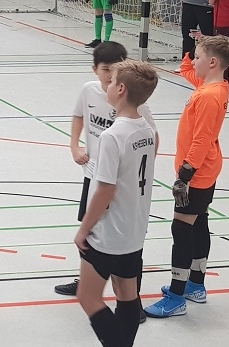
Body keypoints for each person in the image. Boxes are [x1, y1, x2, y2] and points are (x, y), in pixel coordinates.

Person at [74, 59, 158, 347]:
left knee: (88, 297)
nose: (106, 84)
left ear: (120, 90)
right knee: (126, 295)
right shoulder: (146, 129)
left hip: (109, 233)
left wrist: (84, 229)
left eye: (111, 81)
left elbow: (105, 190)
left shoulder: (112, 136)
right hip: (134, 228)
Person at [57, 41, 158, 323]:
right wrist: (75, 146)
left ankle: (129, 301)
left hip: (113, 184)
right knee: (93, 235)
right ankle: (90, 280)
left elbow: (152, 138)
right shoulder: (90, 91)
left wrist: (139, 167)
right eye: (106, 71)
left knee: (117, 243)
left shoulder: (132, 114)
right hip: (94, 173)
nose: (110, 76)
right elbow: (78, 116)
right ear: (95, 70)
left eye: (115, 72)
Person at [145, 36, 229, 319]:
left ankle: (176, 295)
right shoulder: (213, 87)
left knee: (182, 229)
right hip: (206, 169)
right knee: (199, 223)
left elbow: (202, 138)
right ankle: (196, 284)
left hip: (197, 173)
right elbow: (188, 71)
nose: (193, 62)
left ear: (213, 62)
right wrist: (193, 47)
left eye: (198, 57)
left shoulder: (207, 96)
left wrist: (185, 174)